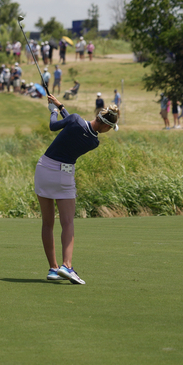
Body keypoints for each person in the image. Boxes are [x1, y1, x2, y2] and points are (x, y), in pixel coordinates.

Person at [36, 92, 120, 285]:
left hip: (43, 169)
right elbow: (76, 126)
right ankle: (67, 265)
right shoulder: (94, 142)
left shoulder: (74, 120)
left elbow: (57, 126)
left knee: (47, 223)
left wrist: (53, 111)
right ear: (106, 125)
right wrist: (60, 106)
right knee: (67, 223)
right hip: (63, 176)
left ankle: (54, 269)